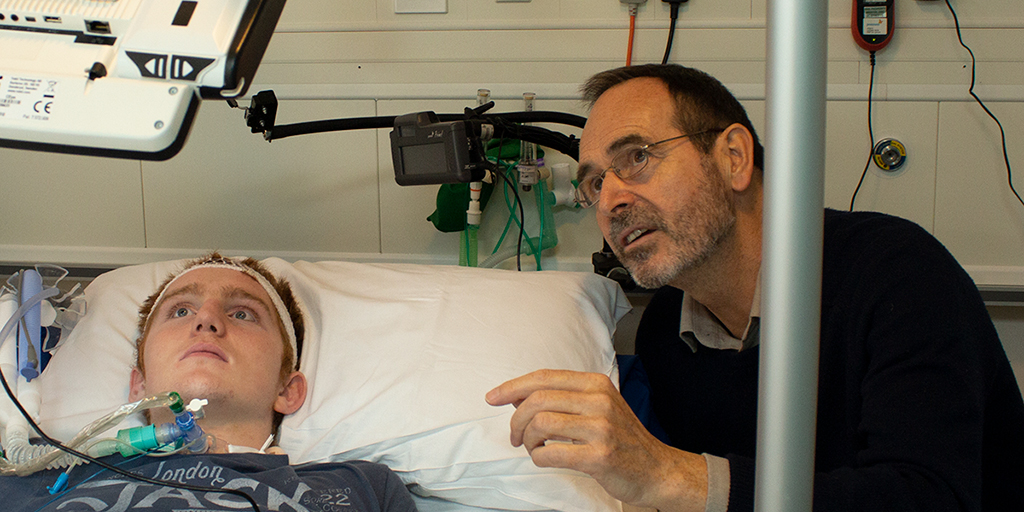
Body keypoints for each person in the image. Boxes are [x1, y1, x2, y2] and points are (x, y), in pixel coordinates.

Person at [486, 64, 1024, 512]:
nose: (610, 201)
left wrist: (671, 474)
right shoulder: (666, 335)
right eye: (595, 182)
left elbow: (932, 499)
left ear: (734, 158)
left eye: (638, 157)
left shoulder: (898, 276)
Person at [1, 253, 418, 512]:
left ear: (287, 390)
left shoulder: (360, 487)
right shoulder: (33, 475)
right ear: (139, 386)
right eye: (181, 311)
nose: (207, 319)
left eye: (242, 314)